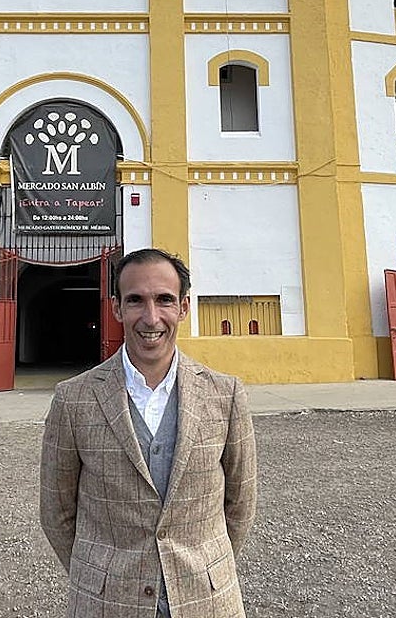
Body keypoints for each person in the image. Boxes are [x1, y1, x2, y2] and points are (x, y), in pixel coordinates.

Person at [40, 248, 257, 617]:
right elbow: (56, 513)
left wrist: (204, 567)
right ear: (116, 308)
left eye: (165, 300)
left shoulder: (226, 394)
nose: (151, 317)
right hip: (106, 603)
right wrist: (100, 574)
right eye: (136, 300)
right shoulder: (73, 400)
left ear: (184, 308)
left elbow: (240, 503)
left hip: (204, 600)